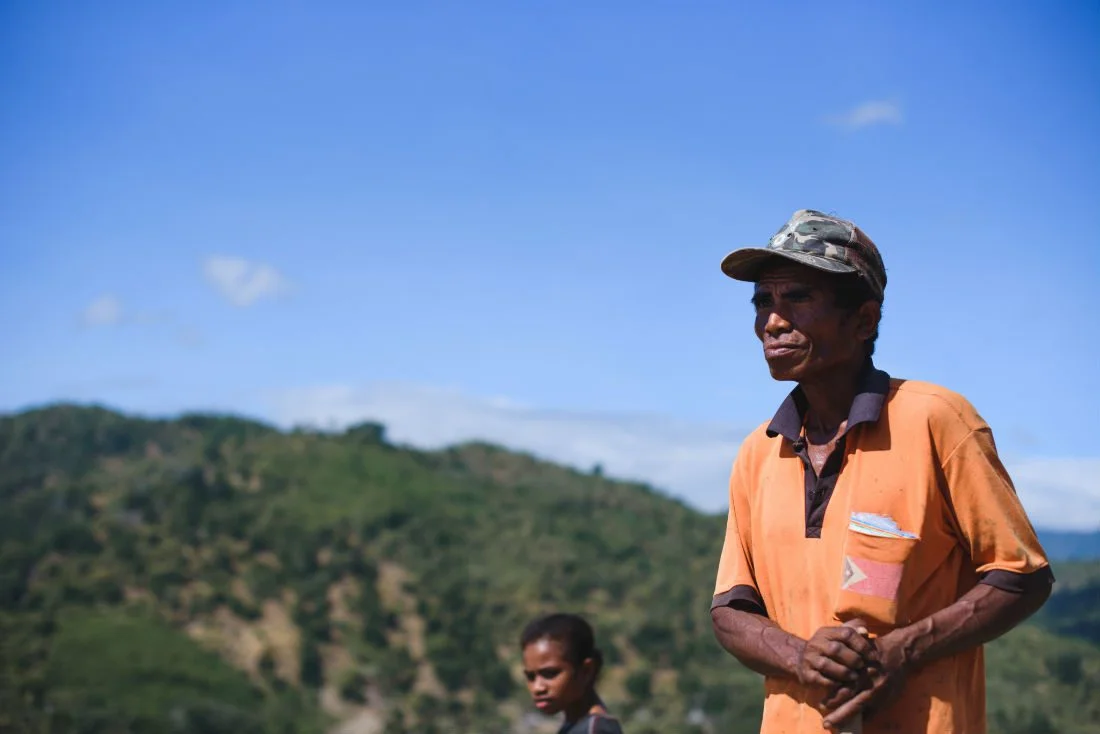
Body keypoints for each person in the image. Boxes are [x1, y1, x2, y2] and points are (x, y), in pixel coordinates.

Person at [709, 209, 1055, 734]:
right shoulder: (759, 452)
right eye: (763, 301)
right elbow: (731, 610)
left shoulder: (937, 420)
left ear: (864, 320)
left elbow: (1022, 577)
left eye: (797, 297)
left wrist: (900, 652)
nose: (773, 322)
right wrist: (800, 657)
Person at [520, 613, 624, 734]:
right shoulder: (574, 727)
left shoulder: (596, 730)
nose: (538, 688)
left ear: (586, 671)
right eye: (530, 677)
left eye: (550, 673)